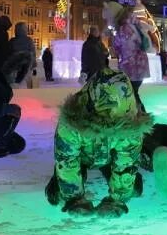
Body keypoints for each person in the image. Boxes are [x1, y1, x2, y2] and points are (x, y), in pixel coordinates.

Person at [44, 68, 153, 218]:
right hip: (82, 158)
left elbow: (126, 162)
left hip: (110, 158)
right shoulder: (72, 124)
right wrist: (74, 199)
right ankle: (64, 190)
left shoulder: (129, 126)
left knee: (133, 188)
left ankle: (124, 184)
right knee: (56, 194)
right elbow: (67, 160)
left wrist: (117, 200)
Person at [104, 1, 150, 111]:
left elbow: (125, 50)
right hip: (138, 67)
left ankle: (141, 118)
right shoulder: (133, 24)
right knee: (132, 93)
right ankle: (139, 117)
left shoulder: (125, 28)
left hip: (132, 68)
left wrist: (114, 43)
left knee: (132, 94)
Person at [8, 22, 37, 87]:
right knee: (28, 83)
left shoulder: (12, 41)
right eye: (26, 28)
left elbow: (8, 54)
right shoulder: (29, 40)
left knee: (14, 85)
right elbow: (32, 53)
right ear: (24, 30)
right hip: (26, 67)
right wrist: (33, 66)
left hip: (15, 67)